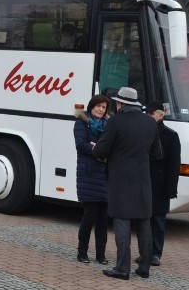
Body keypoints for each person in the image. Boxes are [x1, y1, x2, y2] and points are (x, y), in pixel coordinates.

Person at [92, 86, 160, 281]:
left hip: (120, 181)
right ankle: (144, 268)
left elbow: (100, 151)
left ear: (120, 103)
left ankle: (122, 268)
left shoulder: (116, 121)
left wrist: (100, 152)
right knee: (144, 224)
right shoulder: (150, 123)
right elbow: (157, 153)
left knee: (122, 223)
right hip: (143, 181)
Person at [141, 101, 181, 267]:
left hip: (161, 185)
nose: (150, 117)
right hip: (144, 182)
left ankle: (156, 253)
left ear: (161, 115)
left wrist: (171, 187)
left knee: (158, 221)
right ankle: (145, 253)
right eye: (148, 114)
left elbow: (174, 164)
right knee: (144, 221)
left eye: (153, 114)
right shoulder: (142, 132)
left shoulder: (170, 135)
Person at [73, 94, 111, 265]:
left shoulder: (108, 125)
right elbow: (81, 144)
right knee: (89, 217)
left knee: (103, 219)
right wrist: (97, 149)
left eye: (104, 107)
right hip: (88, 175)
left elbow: (111, 145)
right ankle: (82, 252)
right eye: (98, 106)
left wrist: (97, 147)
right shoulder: (81, 122)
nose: (101, 110)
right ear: (91, 106)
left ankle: (101, 255)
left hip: (104, 176)